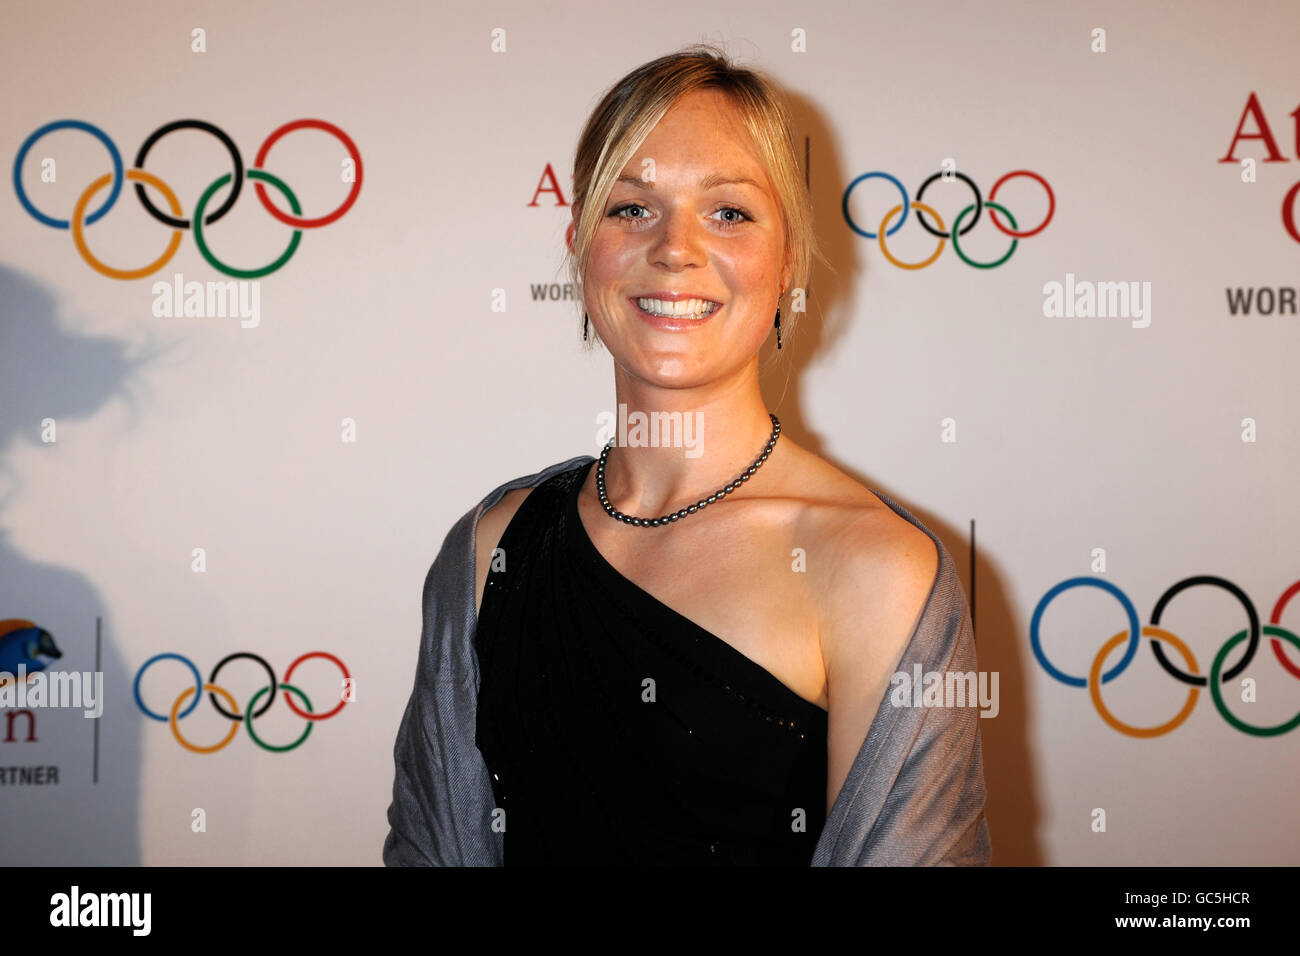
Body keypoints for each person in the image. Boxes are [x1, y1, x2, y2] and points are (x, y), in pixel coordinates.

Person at [383, 43, 991, 866]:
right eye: (631, 208)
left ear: (787, 263)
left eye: (730, 213)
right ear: (578, 245)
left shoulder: (877, 568)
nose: (675, 248)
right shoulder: (491, 546)